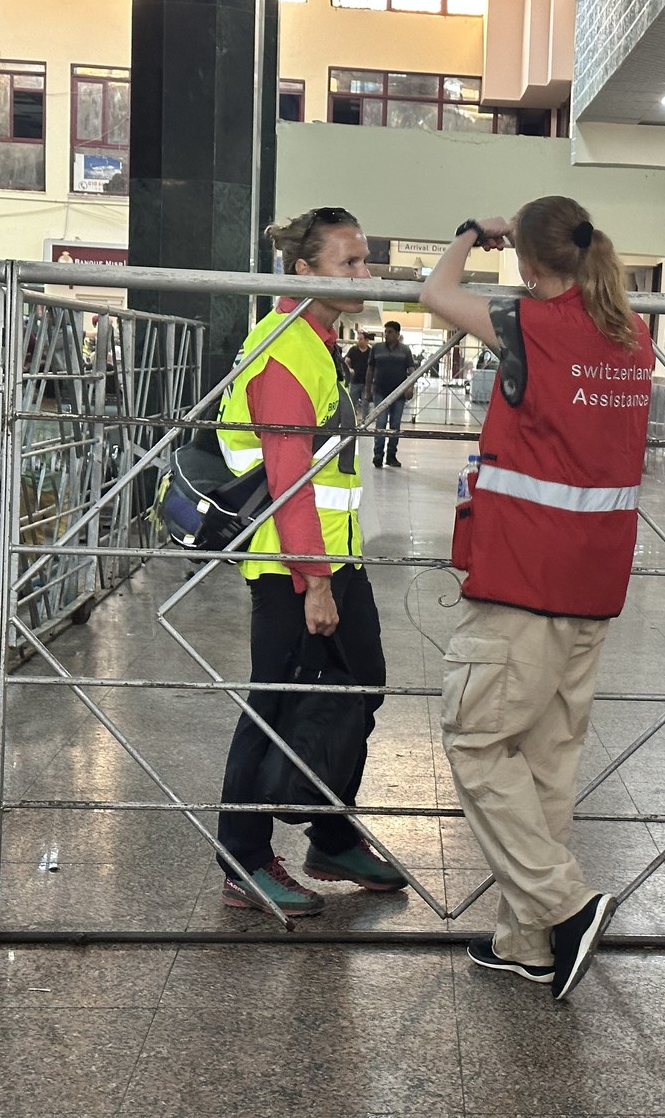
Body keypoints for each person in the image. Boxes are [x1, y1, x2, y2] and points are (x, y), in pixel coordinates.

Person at [420, 196, 653, 1000]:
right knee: (549, 763)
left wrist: (467, 232)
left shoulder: (531, 326)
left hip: (527, 581)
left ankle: (567, 905)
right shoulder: (631, 337)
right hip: (594, 584)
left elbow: (432, 292)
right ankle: (528, 943)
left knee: (477, 743)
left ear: (525, 261)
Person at [214, 205, 404, 917]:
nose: (365, 273)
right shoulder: (287, 346)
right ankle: (244, 857)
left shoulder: (317, 339)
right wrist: (313, 582)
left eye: (365, 259)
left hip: (331, 558)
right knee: (275, 702)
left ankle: (328, 833)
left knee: (358, 686)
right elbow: (289, 473)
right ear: (305, 270)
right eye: (349, 262)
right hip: (290, 565)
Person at [368, 319, 415, 467]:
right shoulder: (376, 348)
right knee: (380, 423)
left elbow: (412, 370)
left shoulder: (405, 350)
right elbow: (370, 370)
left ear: (397, 334)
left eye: (390, 332)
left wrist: (410, 387)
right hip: (380, 391)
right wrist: (367, 389)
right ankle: (378, 454)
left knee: (395, 425)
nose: (386, 334)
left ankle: (391, 456)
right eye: (385, 332)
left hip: (398, 393)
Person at [344, 328, 372, 416]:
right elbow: (346, 361)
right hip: (355, 381)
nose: (359, 341)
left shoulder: (370, 352)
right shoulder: (353, 350)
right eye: (358, 339)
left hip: (366, 382)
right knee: (352, 402)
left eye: (361, 339)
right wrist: (349, 369)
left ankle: (365, 422)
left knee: (365, 404)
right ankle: (351, 420)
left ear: (367, 340)